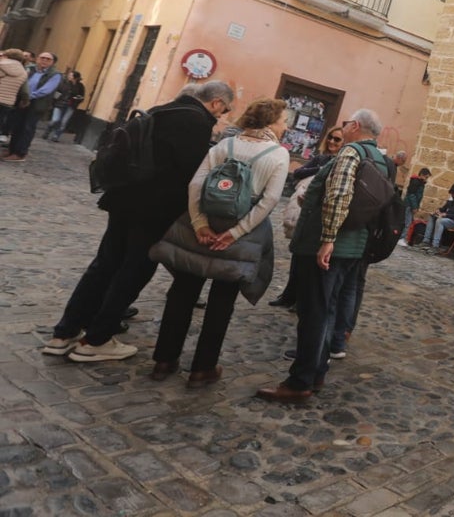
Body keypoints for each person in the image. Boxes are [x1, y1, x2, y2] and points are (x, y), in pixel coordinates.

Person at [42, 81, 235, 362]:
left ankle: (64, 333)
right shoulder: (197, 122)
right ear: (216, 102)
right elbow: (191, 176)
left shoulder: (163, 109)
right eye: (225, 109)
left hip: (122, 198)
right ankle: (97, 340)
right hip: (153, 211)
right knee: (134, 271)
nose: (222, 115)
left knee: (103, 265)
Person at [149, 99, 290, 386]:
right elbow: (269, 201)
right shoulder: (278, 154)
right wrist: (236, 233)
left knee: (183, 292)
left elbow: (195, 185)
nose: (285, 125)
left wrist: (200, 224)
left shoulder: (223, 146)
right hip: (240, 235)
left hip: (200, 227)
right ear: (271, 122)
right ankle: (203, 368)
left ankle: (164, 360)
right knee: (221, 302)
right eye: (283, 120)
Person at [256, 108, 390, 403]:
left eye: (345, 125)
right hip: (355, 246)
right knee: (328, 309)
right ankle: (316, 372)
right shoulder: (381, 159)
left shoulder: (352, 152)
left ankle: (299, 380)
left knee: (314, 312)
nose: (343, 130)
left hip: (329, 245)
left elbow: (340, 195)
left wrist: (328, 238)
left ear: (355, 126)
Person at [268, 126, 344, 308]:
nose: (332, 142)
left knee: (310, 261)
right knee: (298, 255)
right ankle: (288, 295)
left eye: (337, 139)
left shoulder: (342, 164)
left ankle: (300, 300)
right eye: (331, 138)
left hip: (320, 215)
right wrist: (320, 168)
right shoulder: (321, 159)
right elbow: (298, 173)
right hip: (305, 212)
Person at [3, 50, 61, 162]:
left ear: (53, 62)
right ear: (37, 58)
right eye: (42, 57)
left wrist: (29, 96)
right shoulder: (30, 69)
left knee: (27, 128)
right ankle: (12, 150)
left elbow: (46, 90)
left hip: (37, 104)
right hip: (23, 101)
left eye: (48, 59)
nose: (44, 60)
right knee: (17, 125)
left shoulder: (55, 75)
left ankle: (20, 153)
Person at [421, 182, 454, 252]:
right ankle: (426, 241)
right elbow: (444, 208)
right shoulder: (452, 198)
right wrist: (438, 211)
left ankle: (435, 245)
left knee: (440, 221)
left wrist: (447, 215)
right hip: (447, 218)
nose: (452, 195)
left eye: (453, 194)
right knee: (432, 216)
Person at [45, 70, 85, 142]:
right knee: (55, 120)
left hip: (71, 106)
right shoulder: (64, 83)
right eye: (69, 75)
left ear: (75, 77)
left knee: (64, 122)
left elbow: (81, 96)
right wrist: (53, 102)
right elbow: (57, 93)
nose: (68, 76)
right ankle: (48, 130)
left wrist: (75, 100)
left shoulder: (80, 86)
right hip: (59, 104)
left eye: (70, 75)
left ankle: (56, 136)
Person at [0, 48, 29, 140]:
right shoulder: (24, 72)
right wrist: (25, 101)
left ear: (6, 56)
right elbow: (25, 91)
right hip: (7, 102)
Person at [402, 167, 432, 242]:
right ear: (421, 175)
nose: (426, 179)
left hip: (411, 205)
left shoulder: (420, 183)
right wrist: (415, 207)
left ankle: (403, 238)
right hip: (409, 205)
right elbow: (412, 195)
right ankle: (401, 238)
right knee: (407, 222)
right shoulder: (415, 182)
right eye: (426, 177)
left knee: (408, 222)